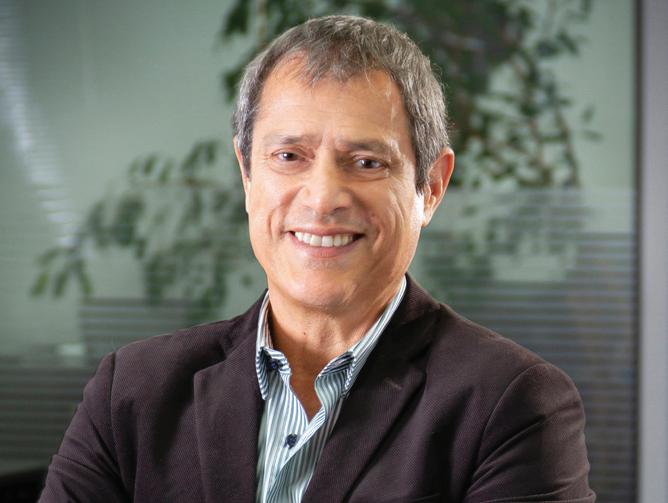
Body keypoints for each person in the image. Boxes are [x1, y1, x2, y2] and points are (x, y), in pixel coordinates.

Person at [40, 15, 595, 503]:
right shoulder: (132, 393)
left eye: (367, 162)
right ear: (247, 175)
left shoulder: (511, 406)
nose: (323, 197)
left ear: (431, 187)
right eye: (289, 156)